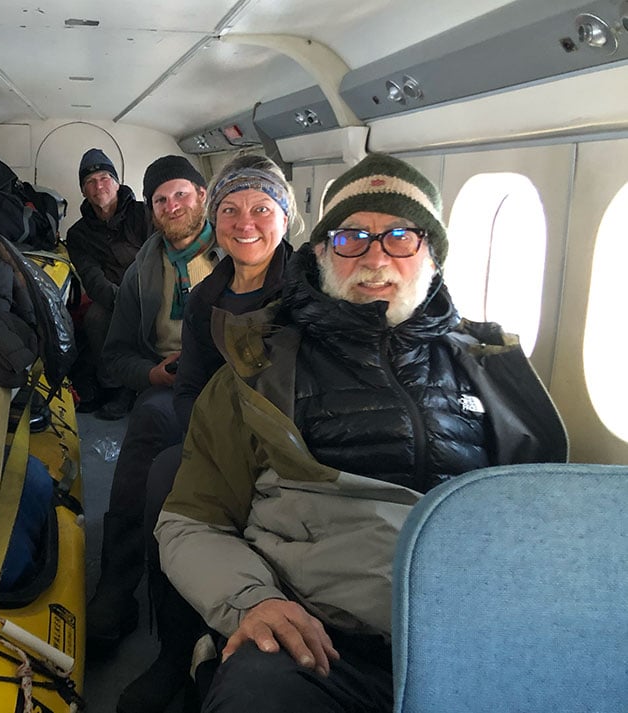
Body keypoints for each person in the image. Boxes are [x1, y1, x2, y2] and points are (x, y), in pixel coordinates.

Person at [156, 152, 569, 713]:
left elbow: (544, 519)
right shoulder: (258, 371)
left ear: (432, 254)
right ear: (323, 252)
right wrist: (253, 603)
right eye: (353, 238)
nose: (376, 258)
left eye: (400, 236)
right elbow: (190, 520)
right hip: (319, 637)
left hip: (472, 631)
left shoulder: (490, 371)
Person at [116, 155, 299, 713]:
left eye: (262, 208)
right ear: (217, 218)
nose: (246, 222)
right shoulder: (204, 300)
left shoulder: (310, 292)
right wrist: (217, 445)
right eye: (232, 209)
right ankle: (172, 649)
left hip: (293, 437)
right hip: (220, 432)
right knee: (169, 475)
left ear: (285, 218)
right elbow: (191, 387)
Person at [88, 154, 219, 650]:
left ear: (202, 195)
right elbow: (114, 356)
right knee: (148, 429)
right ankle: (118, 587)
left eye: (181, 194)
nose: (172, 206)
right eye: (160, 199)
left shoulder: (239, 252)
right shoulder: (144, 269)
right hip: (170, 386)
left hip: (234, 387)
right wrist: (150, 374)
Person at [65, 148, 150, 418]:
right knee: (95, 319)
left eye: (104, 178)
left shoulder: (144, 214)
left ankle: (154, 380)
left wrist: (147, 297)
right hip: (112, 296)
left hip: (150, 289)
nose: (98, 186)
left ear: (116, 182)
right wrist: (122, 302)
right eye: (90, 182)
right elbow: (91, 276)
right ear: (83, 191)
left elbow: (160, 257)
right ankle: (117, 387)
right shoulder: (77, 233)